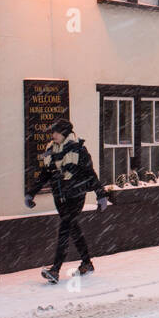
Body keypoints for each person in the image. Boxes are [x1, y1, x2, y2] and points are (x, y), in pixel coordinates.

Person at [25, 119, 110, 283]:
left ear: (64, 133)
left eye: (56, 132)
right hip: (60, 196)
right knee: (73, 229)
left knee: (65, 228)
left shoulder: (78, 149)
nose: (53, 135)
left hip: (76, 195)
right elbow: (45, 174)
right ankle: (87, 263)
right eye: (53, 132)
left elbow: (90, 172)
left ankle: (55, 270)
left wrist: (101, 194)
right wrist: (31, 193)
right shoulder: (51, 150)